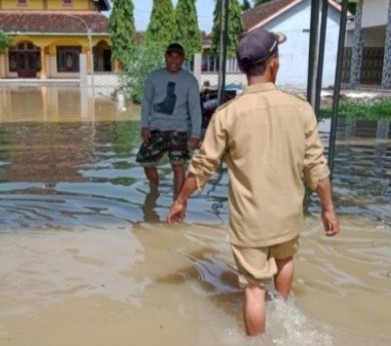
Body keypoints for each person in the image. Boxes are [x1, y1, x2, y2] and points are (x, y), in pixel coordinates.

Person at [167, 29, 339, 336]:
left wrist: (181, 200)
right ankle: (283, 315)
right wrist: (328, 208)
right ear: (274, 64)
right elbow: (317, 166)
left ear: (246, 69)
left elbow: (203, 165)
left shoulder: (227, 114)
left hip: (250, 221)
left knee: (254, 290)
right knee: (285, 260)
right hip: (288, 214)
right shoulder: (300, 108)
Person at [136, 42, 202, 199]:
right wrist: (145, 125)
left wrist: (195, 135)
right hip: (155, 128)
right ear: (165, 57)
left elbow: (195, 108)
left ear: (183, 59)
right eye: (170, 56)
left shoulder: (190, 80)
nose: (174, 60)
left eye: (178, 57)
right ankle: (154, 190)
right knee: (146, 162)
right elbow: (146, 102)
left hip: (179, 129)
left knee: (178, 166)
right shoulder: (154, 76)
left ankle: (177, 201)